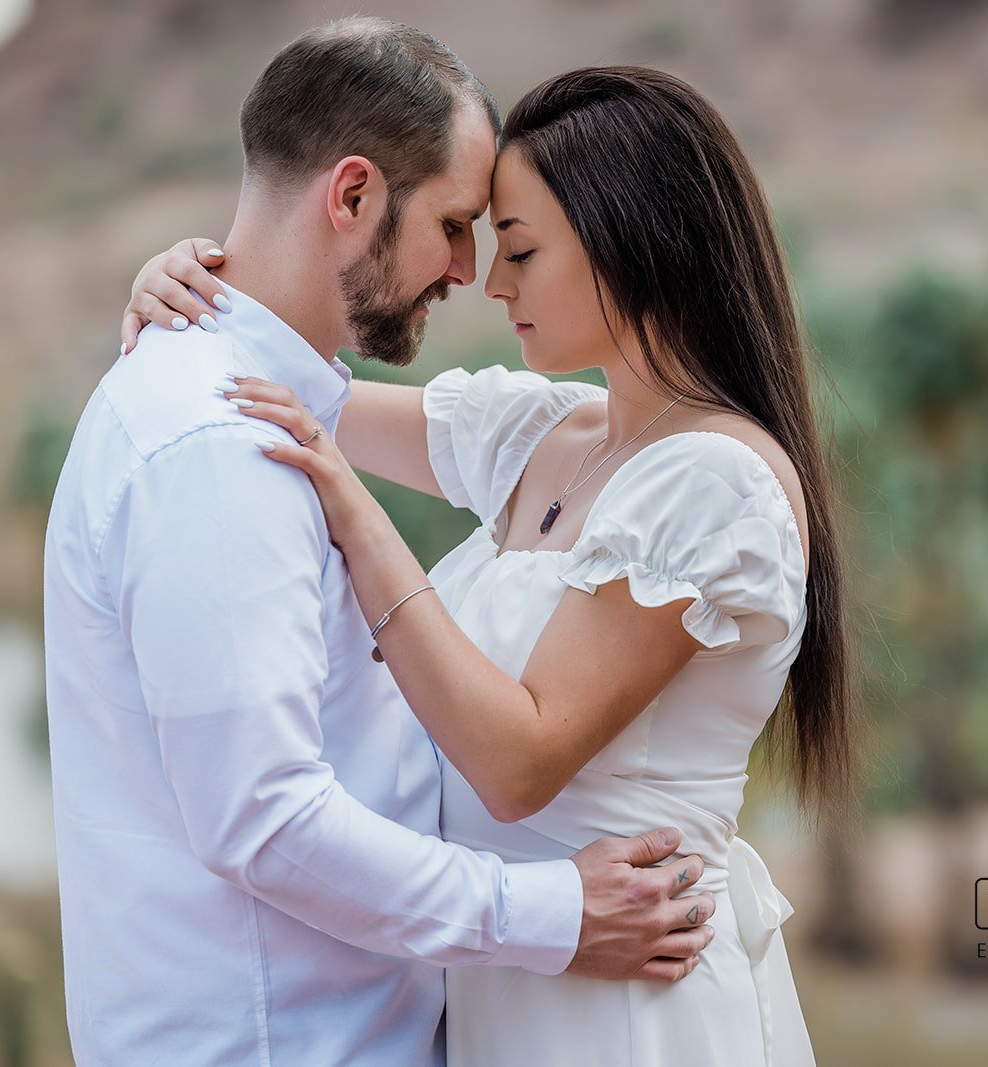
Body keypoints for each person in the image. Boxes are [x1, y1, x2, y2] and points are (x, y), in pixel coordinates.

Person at [121, 61, 860, 1066]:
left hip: (627, 1009)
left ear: (629, 242)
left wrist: (359, 521)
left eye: (518, 248)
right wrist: (196, 281)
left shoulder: (713, 486)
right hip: (508, 986)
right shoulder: (548, 432)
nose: (489, 280)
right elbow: (287, 389)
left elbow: (519, 762)